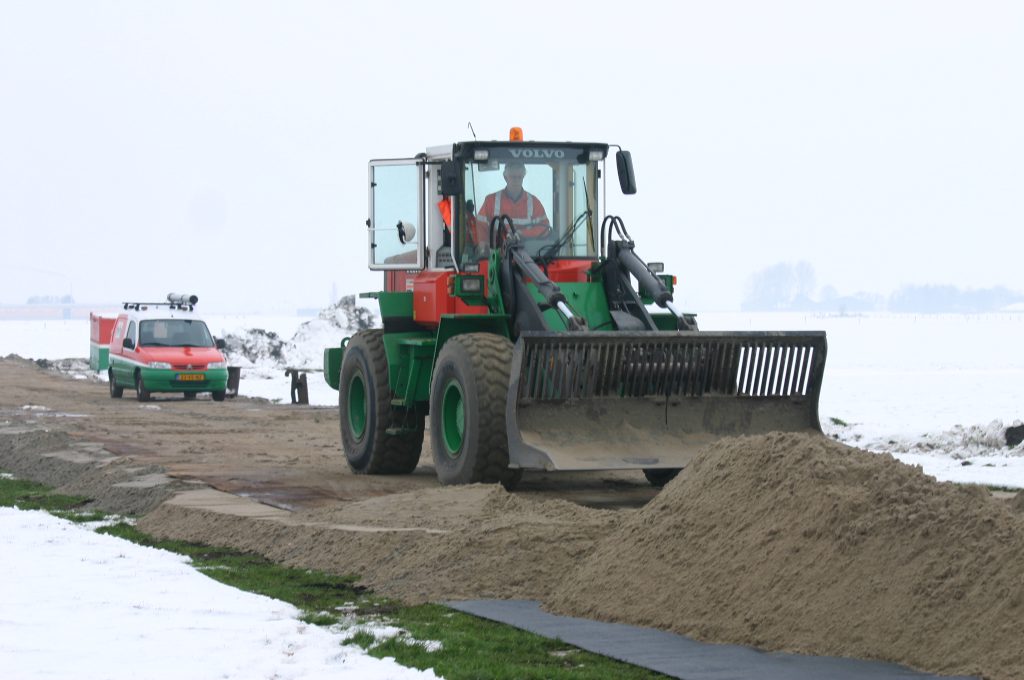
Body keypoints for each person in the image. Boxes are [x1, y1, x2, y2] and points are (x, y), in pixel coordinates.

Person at [472, 162, 550, 247]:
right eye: (513, 177)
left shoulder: (534, 203)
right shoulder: (491, 201)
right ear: (505, 178)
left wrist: (522, 233)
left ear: (523, 177)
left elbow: (544, 228)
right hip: (497, 253)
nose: (516, 180)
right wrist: (484, 246)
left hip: (527, 253)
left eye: (519, 177)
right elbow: (480, 226)